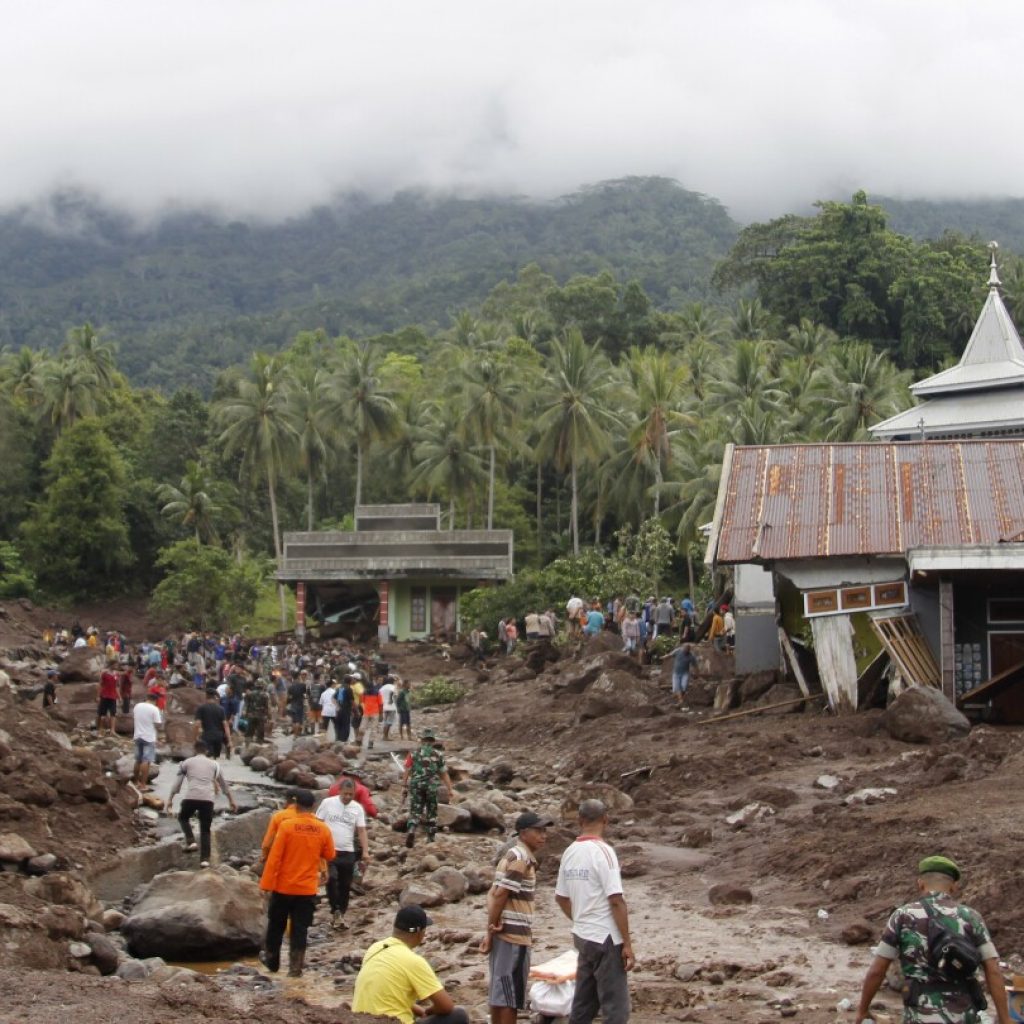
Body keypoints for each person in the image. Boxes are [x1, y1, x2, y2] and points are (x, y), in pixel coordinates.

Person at [854, 856, 1010, 1024]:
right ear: (953, 886)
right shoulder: (971, 917)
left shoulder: (902, 916)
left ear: (920, 884)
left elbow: (878, 970)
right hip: (964, 1016)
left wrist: (862, 1010)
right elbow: (993, 970)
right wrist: (1005, 1018)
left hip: (918, 1017)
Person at [555, 798, 634, 1024]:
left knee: (583, 1005)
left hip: (583, 936)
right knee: (615, 1010)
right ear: (605, 820)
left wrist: (580, 917)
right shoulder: (604, 852)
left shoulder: (570, 851)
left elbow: (560, 897)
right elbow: (616, 900)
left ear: (579, 821)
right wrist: (627, 943)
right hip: (606, 938)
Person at [481, 811, 553, 1024]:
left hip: (504, 936)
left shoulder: (511, 855)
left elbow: (492, 893)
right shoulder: (521, 859)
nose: (544, 836)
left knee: (499, 993)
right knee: (510, 998)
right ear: (523, 833)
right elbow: (501, 893)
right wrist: (492, 926)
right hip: (514, 937)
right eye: (538, 831)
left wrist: (491, 930)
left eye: (545, 831)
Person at [259, 788, 335, 978]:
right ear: (313, 807)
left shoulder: (286, 826)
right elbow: (330, 854)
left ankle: (272, 962)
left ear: (295, 804)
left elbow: (275, 857)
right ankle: (295, 968)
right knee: (300, 928)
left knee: (276, 924)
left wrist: (266, 885)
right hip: (307, 888)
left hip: (283, 886)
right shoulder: (323, 828)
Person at [353, 905, 469, 1024]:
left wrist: (418, 1010)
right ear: (421, 933)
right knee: (459, 1015)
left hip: (360, 1020)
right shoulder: (414, 961)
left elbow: (383, 993)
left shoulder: (374, 948)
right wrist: (428, 1011)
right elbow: (446, 1006)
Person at [167, 740, 237, 866]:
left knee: (183, 818)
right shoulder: (215, 765)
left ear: (194, 750)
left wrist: (170, 800)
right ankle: (205, 860)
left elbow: (177, 784)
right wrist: (231, 801)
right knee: (205, 830)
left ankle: (191, 841)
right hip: (207, 800)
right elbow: (224, 785)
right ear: (206, 751)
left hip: (191, 797)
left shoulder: (186, 763)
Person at [316, 778, 370, 930]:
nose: (347, 797)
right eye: (345, 794)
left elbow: (361, 830)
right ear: (339, 791)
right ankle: (336, 911)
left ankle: (341, 914)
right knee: (331, 879)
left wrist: (365, 851)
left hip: (348, 851)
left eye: (350, 794)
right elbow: (318, 824)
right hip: (329, 851)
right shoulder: (328, 803)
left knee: (346, 885)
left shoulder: (357, 808)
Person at [402, 728, 456, 848]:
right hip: (431, 786)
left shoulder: (413, 753)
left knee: (415, 811)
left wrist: (404, 786)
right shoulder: (438, 755)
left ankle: (411, 829)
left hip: (416, 785)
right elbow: (444, 773)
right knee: (431, 812)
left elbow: (407, 769)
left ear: (422, 740)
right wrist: (450, 789)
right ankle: (430, 839)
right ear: (433, 741)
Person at [132, 691, 163, 791]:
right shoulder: (154, 709)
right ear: (155, 700)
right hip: (149, 737)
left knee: (138, 760)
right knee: (146, 761)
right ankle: (143, 784)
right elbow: (158, 724)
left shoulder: (137, 706)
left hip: (137, 735)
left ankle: (135, 782)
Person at [194, 688, 232, 759]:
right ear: (215, 697)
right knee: (215, 757)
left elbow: (197, 724)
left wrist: (196, 737)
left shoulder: (201, 708)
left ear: (205, 696)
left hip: (206, 737)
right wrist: (229, 741)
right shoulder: (221, 709)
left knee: (206, 757)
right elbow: (225, 726)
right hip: (218, 738)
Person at [96, 663, 120, 735]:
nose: (116, 666)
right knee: (102, 713)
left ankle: (112, 730)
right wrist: (98, 696)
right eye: (115, 665)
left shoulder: (116, 675)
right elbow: (100, 684)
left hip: (113, 696)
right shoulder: (104, 673)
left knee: (113, 713)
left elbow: (116, 686)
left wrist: (119, 697)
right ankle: (100, 729)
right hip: (105, 695)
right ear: (111, 665)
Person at [287, 672, 308, 737]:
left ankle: (295, 735)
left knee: (294, 720)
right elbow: (305, 695)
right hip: (300, 704)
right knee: (299, 720)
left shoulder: (290, 687)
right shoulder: (303, 685)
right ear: (299, 677)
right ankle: (297, 735)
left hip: (293, 704)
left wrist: (287, 704)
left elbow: (289, 697)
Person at [380, 676, 398, 741]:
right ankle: (385, 736)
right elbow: (394, 694)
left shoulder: (382, 688)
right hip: (391, 706)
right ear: (392, 681)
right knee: (389, 722)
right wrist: (391, 699)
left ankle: (384, 736)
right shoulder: (393, 687)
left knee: (385, 721)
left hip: (383, 706)